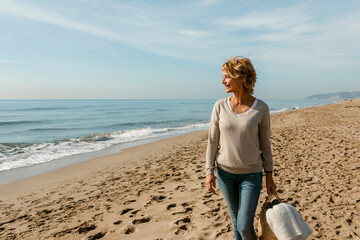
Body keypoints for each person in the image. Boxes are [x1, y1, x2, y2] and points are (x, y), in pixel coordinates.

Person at [205, 56, 277, 240]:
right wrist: (209, 172)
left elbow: (265, 144)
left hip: (251, 175)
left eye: (227, 77)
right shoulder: (219, 106)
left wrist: (269, 176)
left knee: (244, 225)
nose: (223, 81)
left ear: (241, 78)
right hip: (224, 174)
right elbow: (212, 141)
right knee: (236, 222)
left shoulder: (261, 108)